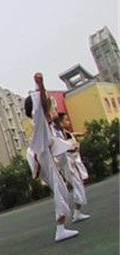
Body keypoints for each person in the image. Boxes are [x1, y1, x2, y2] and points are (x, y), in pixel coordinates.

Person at [25, 74, 79, 242]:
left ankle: (61, 227)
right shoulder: (39, 120)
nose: (50, 106)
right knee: (60, 189)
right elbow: (40, 102)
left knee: (61, 189)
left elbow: (54, 142)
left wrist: (69, 145)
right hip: (41, 157)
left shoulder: (45, 123)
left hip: (44, 156)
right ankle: (60, 228)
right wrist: (40, 85)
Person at [53, 113, 90, 223]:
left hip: (73, 163)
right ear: (60, 123)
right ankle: (76, 214)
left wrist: (82, 134)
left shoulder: (67, 133)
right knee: (78, 186)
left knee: (79, 186)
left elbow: (74, 134)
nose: (68, 122)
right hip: (69, 165)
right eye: (66, 120)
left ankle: (77, 213)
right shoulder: (58, 134)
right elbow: (64, 147)